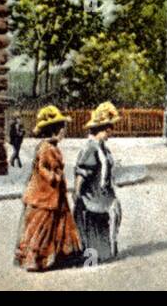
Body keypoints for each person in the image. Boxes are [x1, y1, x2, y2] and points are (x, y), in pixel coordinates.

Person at [14, 105, 82, 272]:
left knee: (59, 225)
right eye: (61, 129)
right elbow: (43, 169)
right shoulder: (46, 148)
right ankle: (35, 259)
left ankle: (61, 256)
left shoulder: (51, 147)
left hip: (54, 194)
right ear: (54, 130)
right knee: (41, 226)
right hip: (44, 195)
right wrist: (55, 177)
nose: (64, 132)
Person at [74, 102, 122, 264]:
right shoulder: (90, 148)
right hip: (92, 200)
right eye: (108, 130)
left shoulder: (102, 147)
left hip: (102, 198)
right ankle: (93, 255)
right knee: (94, 245)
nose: (110, 133)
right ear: (100, 129)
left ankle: (103, 251)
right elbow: (82, 174)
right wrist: (77, 195)